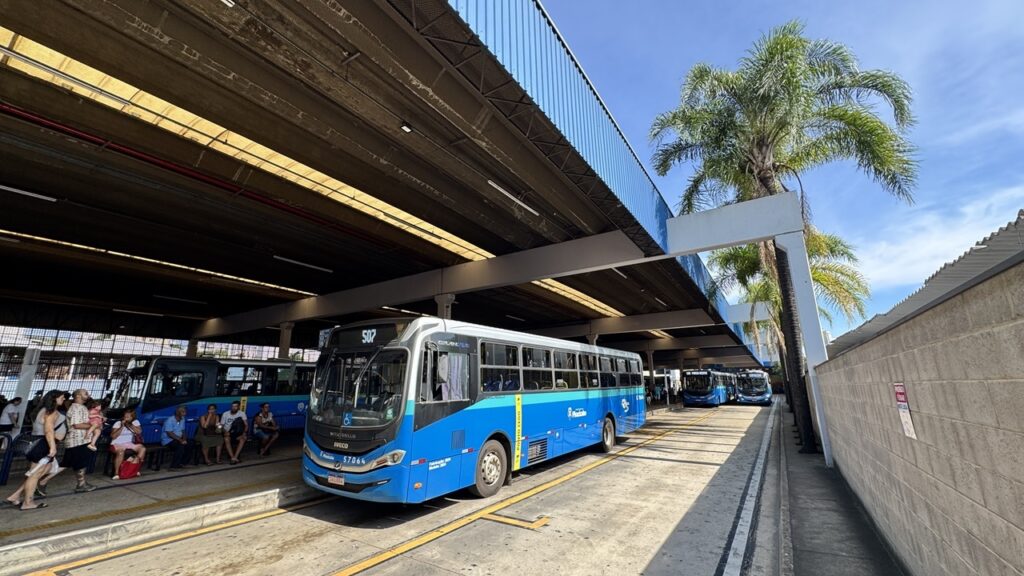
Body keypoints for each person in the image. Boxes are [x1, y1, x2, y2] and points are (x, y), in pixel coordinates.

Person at [4, 390, 67, 510]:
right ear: (54, 398)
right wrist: (52, 447)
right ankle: (28, 502)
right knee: (35, 475)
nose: (63, 399)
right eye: (62, 397)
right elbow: (48, 431)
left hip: (38, 444)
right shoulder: (51, 412)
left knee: (43, 470)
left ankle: (15, 495)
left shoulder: (41, 410)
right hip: (43, 445)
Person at [64, 388, 98, 492]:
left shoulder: (81, 407)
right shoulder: (76, 408)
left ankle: (81, 483)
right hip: (77, 440)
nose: (88, 395)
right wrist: (93, 425)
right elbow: (77, 425)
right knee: (67, 464)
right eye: (85, 393)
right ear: (78, 396)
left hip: (81, 440)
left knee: (79, 463)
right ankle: (42, 481)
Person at [110, 407, 146, 479]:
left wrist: (131, 425)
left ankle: (135, 468)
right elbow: (113, 436)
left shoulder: (135, 422)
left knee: (142, 449)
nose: (126, 418)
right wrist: (122, 427)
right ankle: (116, 473)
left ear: (132, 417)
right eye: (125, 416)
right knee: (120, 452)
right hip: (117, 443)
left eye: (128, 417)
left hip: (129, 443)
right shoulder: (118, 423)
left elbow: (139, 432)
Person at [161, 405, 190, 470]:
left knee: (190, 443)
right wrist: (181, 440)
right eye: (183, 412)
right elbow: (169, 433)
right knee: (180, 446)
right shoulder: (170, 420)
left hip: (178, 439)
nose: (185, 413)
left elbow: (183, 430)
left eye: (185, 412)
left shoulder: (182, 419)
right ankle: (173, 466)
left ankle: (182, 463)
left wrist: (184, 439)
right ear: (178, 412)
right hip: (168, 440)